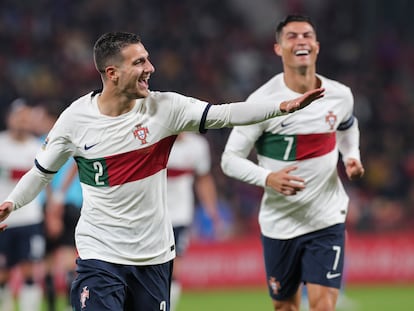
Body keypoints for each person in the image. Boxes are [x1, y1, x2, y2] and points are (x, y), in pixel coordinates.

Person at [0, 31, 323, 311]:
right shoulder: (75, 119)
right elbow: (41, 172)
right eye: (139, 62)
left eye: (148, 60)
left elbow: (226, 113)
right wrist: (12, 204)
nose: (150, 68)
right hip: (99, 253)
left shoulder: (165, 108)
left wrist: (280, 106)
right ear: (112, 72)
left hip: (153, 256)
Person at [220, 14, 364, 311]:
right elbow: (228, 160)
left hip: (326, 218)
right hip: (279, 223)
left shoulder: (340, 95)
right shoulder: (261, 102)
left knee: (323, 306)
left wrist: (351, 156)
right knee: (285, 307)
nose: (301, 40)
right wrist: (267, 178)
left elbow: (348, 126)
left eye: (307, 35)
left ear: (317, 46)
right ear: (278, 48)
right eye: (292, 36)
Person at [32, 102, 82, 311]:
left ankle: (55, 307)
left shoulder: (43, 143)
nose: (39, 123)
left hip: (54, 205)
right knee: (69, 257)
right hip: (72, 203)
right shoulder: (75, 141)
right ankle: (71, 306)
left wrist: (54, 206)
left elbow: (42, 177)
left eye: (42, 119)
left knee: (51, 260)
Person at [166, 132, 220, 311]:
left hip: (181, 215)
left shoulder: (197, 145)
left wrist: (211, 210)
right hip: (152, 215)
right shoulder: (157, 140)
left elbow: (203, 178)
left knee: (174, 268)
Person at [0, 99, 45, 311]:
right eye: (19, 117)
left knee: (29, 268)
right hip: (4, 219)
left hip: (30, 217)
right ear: (10, 118)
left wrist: (52, 209)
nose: (23, 121)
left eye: (26, 118)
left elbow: (46, 182)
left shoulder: (37, 148)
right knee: (2, 271)